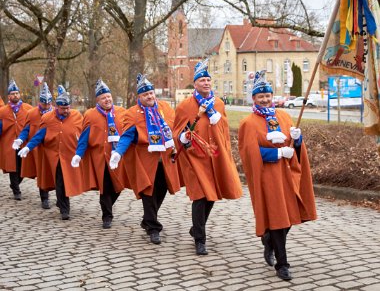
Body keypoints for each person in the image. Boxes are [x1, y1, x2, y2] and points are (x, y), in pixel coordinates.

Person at [238, 70, 317, 281]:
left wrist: (297, 141)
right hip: (267, 176)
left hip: (288, 174)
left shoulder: (284, 116)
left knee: (289, 216)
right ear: (254, 98)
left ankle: (270, 241)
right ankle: (282, 264)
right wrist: (278, 153)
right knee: (278, 218)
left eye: (268, 96)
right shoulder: (248, 123)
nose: (265, 99)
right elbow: (249, 153)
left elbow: (295, 145)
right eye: (260, 96)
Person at [173, 59, 242, 255]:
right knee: (200, 196)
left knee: (211, 196)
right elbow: (177, 131)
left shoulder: (218, 104)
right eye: (201, 80)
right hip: (195, 157)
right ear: (194, 84)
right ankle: (200, 240)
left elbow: (224, 128)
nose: (205, 83)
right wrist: (183, 137)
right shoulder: (185, 106)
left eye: (208, 80)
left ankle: (196, 228)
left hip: (215, 155)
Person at [109, 74, 181, 244]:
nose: (149, 96)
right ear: (139, 97)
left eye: (151, 93)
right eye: (145, 94)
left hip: (164, 160)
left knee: (162, 189)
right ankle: (153, 227)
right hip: (145, 161)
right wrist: (118, 153)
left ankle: (148, 219)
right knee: (148, 192)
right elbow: (127, 136)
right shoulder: (132, 114)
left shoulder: (165, 108)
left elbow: (175, 128)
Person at [18, 86, 85, 220]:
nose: (66, 111)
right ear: (56, 107)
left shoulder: (77, 116)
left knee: (67, 181)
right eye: (63, 108)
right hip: (54, 156)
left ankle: (62, 203)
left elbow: (84, 134)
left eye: (67, 108)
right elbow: (40, 135)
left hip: (70, 155)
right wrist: (28, 147)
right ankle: (65, 209)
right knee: (60, 181)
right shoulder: (48, 118)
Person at [71, 79, 129, 229]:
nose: (107, 99)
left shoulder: (121, 112)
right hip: (100, 158)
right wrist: (78, 154)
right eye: (103, 98)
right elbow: (84, 137)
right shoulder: (90, 115)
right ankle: (107, 216)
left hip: (118, 157)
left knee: (118, 186)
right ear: (98, 100)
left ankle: (107, 205)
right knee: (105, 187)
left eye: (108, 97)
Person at [12, 82, 53, 209]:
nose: (46, 106)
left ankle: (62, 197)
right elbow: (26, 129)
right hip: (36, 149)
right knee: (42, 173)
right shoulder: (32, 113)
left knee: (56, 174)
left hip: (52, 148)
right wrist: (20, 139)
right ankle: (44, 198)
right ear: (39, 102)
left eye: (48, 103)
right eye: (44, 103)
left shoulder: (55, 113)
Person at [0, 80, 33, 200]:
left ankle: (15, 184)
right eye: (13, 94)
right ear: (9, 96)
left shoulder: (28, 109)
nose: (15, 95)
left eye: (17, 93)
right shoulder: (2, 111)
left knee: (22, 167)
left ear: (20, 95)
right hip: (8, 144)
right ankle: (16, 191)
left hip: (23, 143)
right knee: (12, 167)